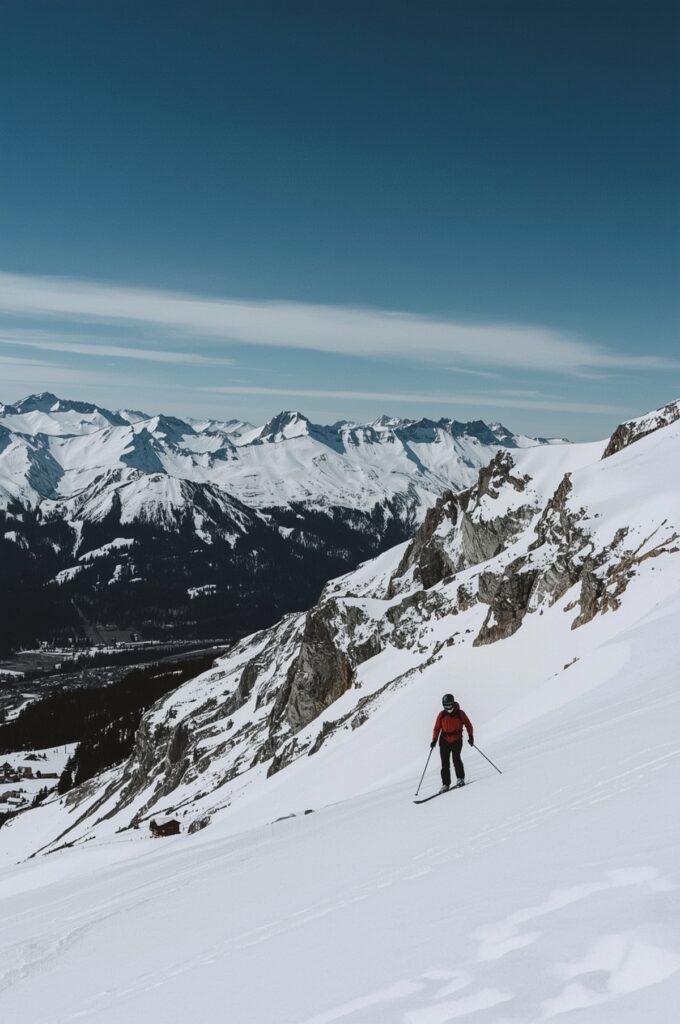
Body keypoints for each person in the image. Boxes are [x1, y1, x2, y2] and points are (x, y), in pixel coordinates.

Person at [430, 693, 474, 791]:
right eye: (445, 705)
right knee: (444, 763)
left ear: (453, 703)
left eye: (449, 705)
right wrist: (434, 740)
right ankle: (445, 784)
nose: (448, 707)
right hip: (444, 740)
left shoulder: (460, 713)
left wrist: (471, 736)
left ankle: (460, 778)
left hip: (457, 740)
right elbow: (437, 728)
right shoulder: (441, 715)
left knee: (456, 759)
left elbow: (468, 725)